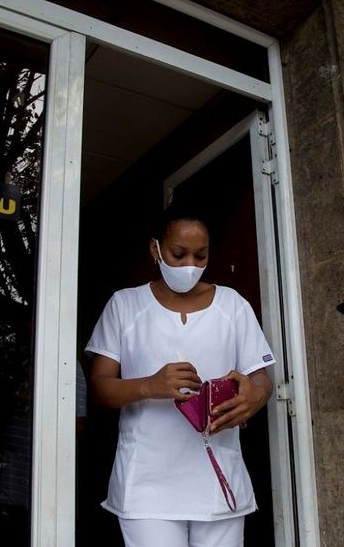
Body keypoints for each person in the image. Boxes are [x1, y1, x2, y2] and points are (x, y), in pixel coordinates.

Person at [85, 203, 274, 547]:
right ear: (155, 248)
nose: (190, 266)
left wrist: (254, 396)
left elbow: (261, 379)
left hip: (219, 481)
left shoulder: (232, 305)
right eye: (178, 253)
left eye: (200, 256)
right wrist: (149, 385)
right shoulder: (125, 305)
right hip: (147, 484)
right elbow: (99, 389)